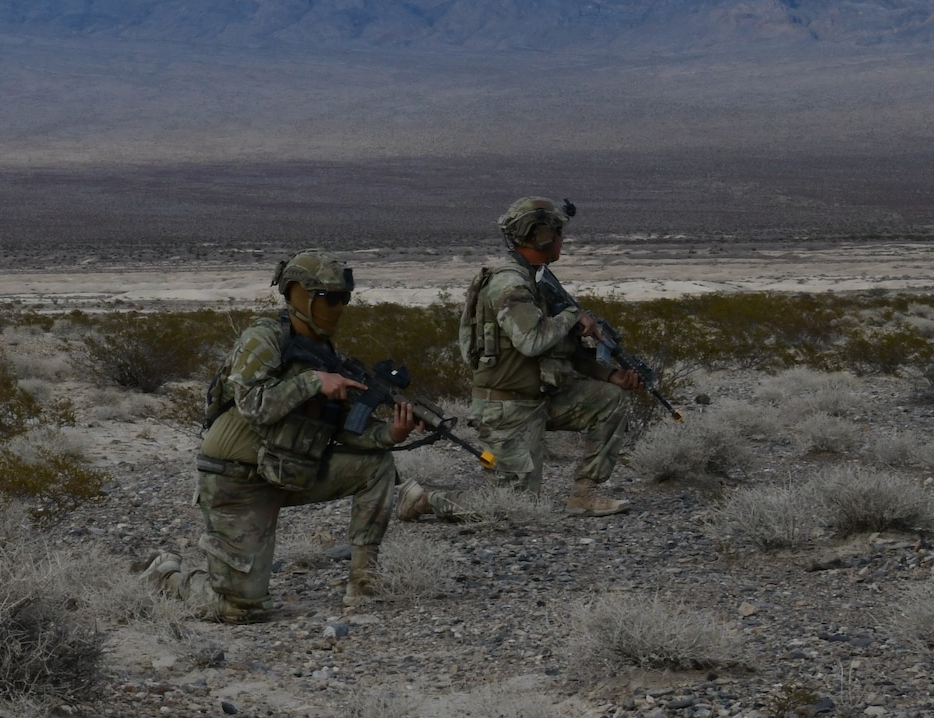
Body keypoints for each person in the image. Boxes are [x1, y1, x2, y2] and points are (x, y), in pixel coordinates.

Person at [144, 250, 423, 621]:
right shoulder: (263, 340)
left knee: (377, 466)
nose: (338, 308)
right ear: (297, 295)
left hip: (290, 470)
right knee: (238, 609)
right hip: (236, 481)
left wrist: (391, 433)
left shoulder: (326, 355)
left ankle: (364, 582)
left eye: (344, 299)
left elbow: (344, 432)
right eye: (328, 298)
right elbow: (254, 406)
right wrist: (312, 382)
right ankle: (168, 576)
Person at [399, 197, 636, 523]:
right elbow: (533, 340)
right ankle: (424, 501)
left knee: (612, 400)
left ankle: (584, 495)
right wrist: (572, 316)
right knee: (514, 507)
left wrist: (608, 375)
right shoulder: (510, 283)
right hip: (507, 410)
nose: (561, 240)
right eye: (557, 233)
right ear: (542, 237)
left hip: (540, 398)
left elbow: (559, 348)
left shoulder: (535, 280)